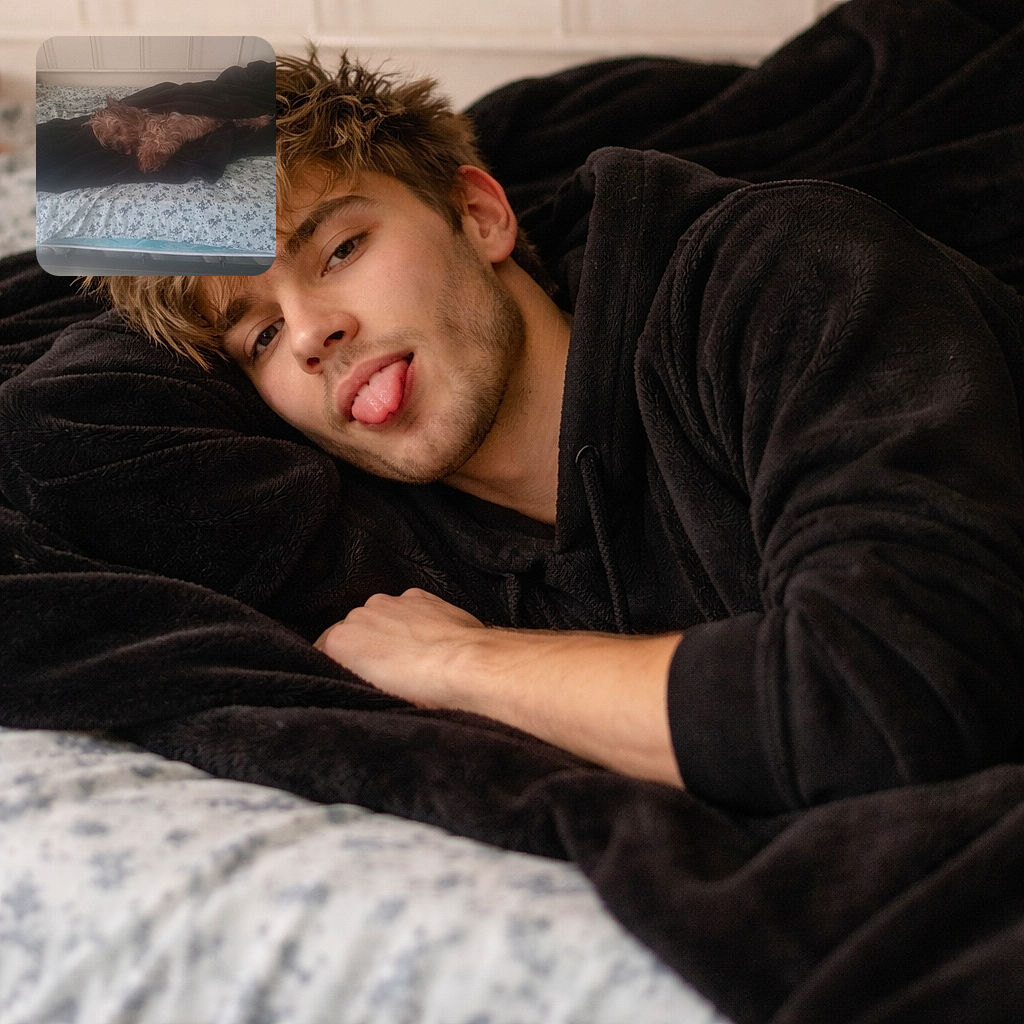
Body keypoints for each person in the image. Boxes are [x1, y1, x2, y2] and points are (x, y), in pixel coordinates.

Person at [85, 50, 1024, 812]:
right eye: (256, 335)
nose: (309, 332)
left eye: (341, 249)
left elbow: (894, 695)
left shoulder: (781, 274)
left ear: (481, 213)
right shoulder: (372, 544)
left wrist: (461, 664)